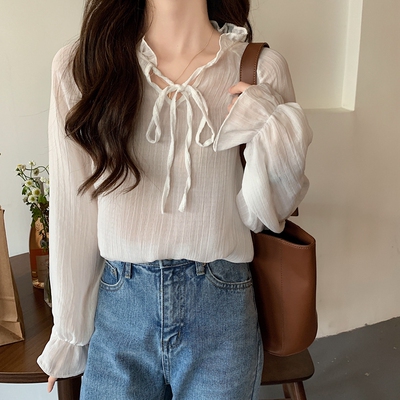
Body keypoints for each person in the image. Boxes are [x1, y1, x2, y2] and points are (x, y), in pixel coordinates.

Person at [37, 0, 313, 399]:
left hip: (221, 305)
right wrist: (69, 332)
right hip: (120, 307)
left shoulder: (259, 69)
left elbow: (265, 215)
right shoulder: (83, 66)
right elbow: (72, 209)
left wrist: (268, 126)